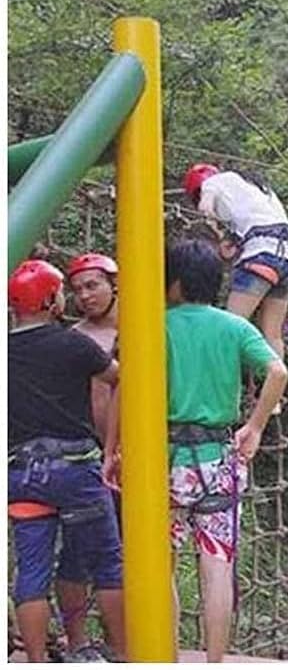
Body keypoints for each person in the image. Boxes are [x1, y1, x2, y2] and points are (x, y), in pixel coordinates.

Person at [164, 240, 288, 662]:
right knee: (216, 566)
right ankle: (214, 661)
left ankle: (166, 655)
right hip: (219, 459)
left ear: (173, 281)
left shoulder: (155, 324)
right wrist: (254, 426)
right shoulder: (233, 327)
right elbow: (277, 370)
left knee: (161, 564)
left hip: (163, 459)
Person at [8, 260, 125, 662]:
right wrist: (110, 448)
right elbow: (119, 377)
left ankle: (37, 661)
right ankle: (127, 654)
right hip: (75, 468)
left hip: (21, 472)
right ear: (50, 299)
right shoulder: (72, 344)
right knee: (108, 562)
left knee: (32, 570)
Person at [56, 252, 121, 656]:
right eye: (77, 289)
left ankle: (125, 641)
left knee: (130, 551)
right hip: (86, 458)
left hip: (141, 455)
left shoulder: (146, 327)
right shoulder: (74, 337)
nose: (85, 296)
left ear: (114, 284)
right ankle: (77, 640)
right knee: (77, 553)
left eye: (92, 285)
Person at [183, 163, 288, 362]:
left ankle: (220, 383)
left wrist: (213, 229)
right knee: (273, 335)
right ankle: (275, 389)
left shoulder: (212, 183)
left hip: (262, 256)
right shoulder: (259, 190)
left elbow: (205, 209)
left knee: (229, 327)